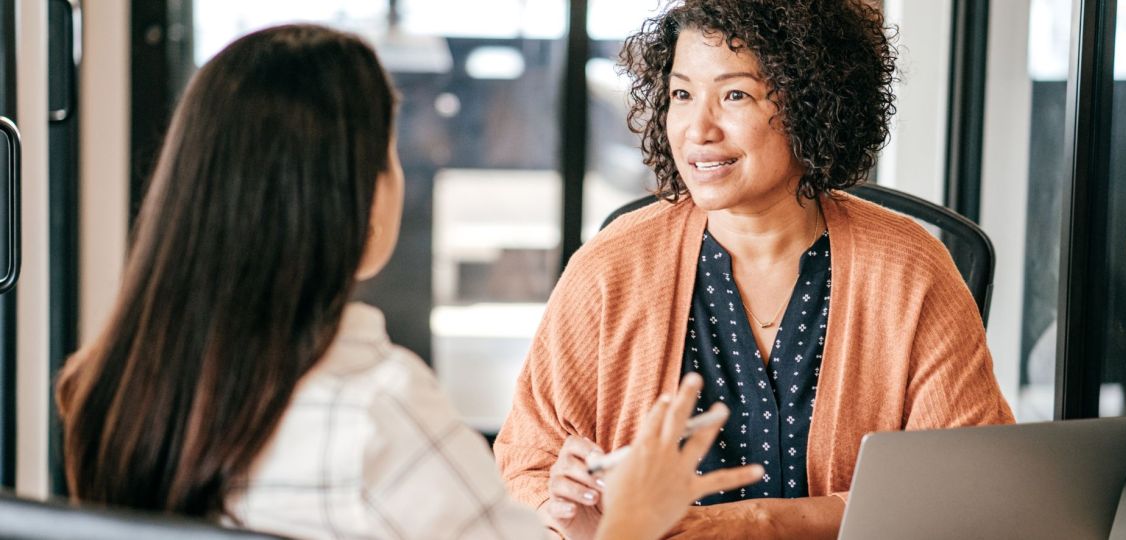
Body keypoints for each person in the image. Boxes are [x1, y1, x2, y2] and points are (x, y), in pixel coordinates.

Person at [54, 24, 761, 540]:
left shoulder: (109, 390)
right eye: (389, 154)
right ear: (356, 199)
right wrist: (634, 518)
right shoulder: (377, 410)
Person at [494, 1, 1015, 538]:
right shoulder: (610, 267)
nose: (698, 130)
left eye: (734, 95)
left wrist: (759, 522)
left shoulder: (909, 270)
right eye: (681, 94)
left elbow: (964, 488)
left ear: (812, 103)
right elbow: (526, 467)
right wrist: (566, 512)